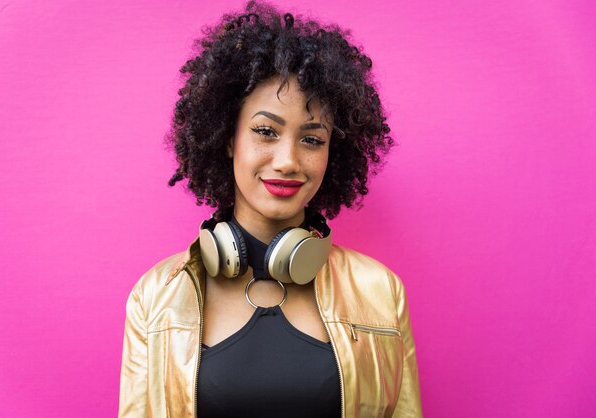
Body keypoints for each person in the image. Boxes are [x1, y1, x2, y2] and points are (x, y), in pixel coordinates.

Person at [118, 1, 422, 417]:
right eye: (265, 131)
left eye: (312, 139)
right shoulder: (156, 297)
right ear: (228, 138)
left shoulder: (380, 291)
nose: (288, 161)